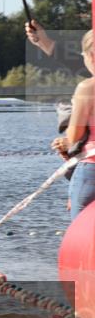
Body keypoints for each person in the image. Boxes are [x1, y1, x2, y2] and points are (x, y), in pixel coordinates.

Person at [65, 30, 95, 219]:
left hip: (92, 169)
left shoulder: (87, 88)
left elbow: (74, 138)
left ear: (91, 55)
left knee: (85, 240)